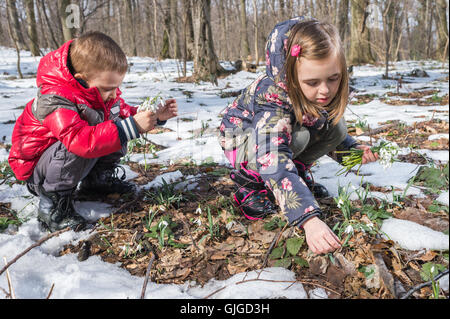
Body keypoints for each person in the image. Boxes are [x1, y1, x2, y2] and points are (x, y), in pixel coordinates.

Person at [218, 17, 378, 255]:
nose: (324, 90)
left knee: (336, 127)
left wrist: (353, 155)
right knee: (299, 138)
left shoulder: (318, 92)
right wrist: (308, 219)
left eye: (333, 79)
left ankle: (296, 177)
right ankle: (249, 185)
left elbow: (326, 132)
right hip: (243, 139)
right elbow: (272, 155)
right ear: (291, 75)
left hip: (281, 138)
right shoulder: (271, 97)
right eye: (312, 82)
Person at [8, 32, 178, 232]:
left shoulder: (101, 94)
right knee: (89, 138)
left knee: (117, 127)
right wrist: (132, 126)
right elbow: (79, 141)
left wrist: (155, 116)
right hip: (40, 173)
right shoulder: (55, 99)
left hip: (65, 164)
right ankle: (53, 207)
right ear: (81, 80)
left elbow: (125, 114)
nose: (114, 94)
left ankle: (96, 181)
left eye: (117, 87)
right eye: (108, 88)